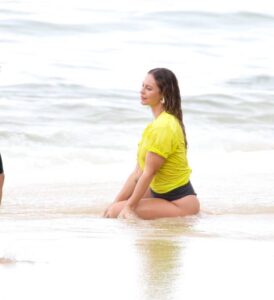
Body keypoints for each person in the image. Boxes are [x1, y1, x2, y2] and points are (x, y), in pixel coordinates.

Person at [103, 68, 200, 220]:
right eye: (142, 86)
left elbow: (149, 173)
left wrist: (129, 207)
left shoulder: (164, 126)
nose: (142, 91)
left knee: (116, 211)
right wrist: (115, 203)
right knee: (112, 209)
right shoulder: (156, 125)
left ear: (163, 94)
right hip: (159, 193)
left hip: (179, 203)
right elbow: (137, 173)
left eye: (148, 88)